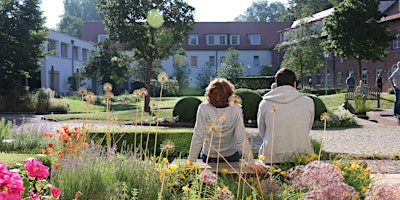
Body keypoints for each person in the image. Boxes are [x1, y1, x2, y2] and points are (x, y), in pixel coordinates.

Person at [187, 78, 264, 172]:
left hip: (209, 156)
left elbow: (198, 137)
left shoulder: (203, 108)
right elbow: (241, 138)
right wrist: (251, 162)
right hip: (231, 155)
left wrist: (190, 162)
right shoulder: (237, 108)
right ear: (230, 94)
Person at [257, 68, 314, 164]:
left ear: (276, 85)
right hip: (302, 155)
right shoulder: (308, 102)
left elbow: (262, 131)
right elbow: (307, 128)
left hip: (271, 157)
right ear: (295, 84)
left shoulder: (265, 104)